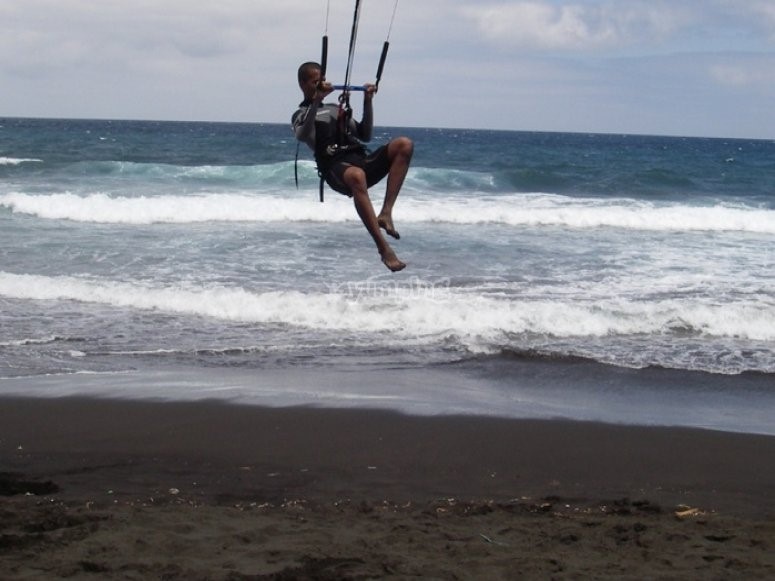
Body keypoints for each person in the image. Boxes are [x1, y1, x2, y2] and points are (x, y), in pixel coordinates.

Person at [292, 61, 413, 272]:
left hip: (358, 160)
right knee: (357, 176)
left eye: (322, 80)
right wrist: (316, 101)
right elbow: (303, 135)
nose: (320, 84)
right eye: (315, 81)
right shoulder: (300, 114)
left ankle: (385, 213)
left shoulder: (334, 109)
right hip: (335, 168)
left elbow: (365, 135)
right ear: (303, 84)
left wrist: (367, 101)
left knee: (404, 144)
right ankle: (384, 249)